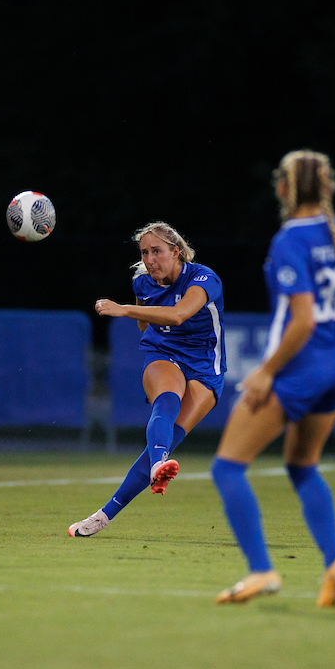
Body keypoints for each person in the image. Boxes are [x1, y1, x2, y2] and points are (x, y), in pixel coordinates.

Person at [210, 149, 335, 606]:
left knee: (227, 467)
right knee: (302, 466)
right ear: (327, 188)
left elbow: (302, 321)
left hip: (299, 369)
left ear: (285, 189)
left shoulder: (289, 239)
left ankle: (261, 570)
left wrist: (265, 373)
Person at [68, 223, 225, 537]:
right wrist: (144, 323)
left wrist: (123, 309)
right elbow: (145, 327)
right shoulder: (142, 281)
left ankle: (105, 513)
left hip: (206, 367)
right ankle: (157, 469)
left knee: (167, 441)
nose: (150, 259)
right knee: (166, 401)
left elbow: (180, 314)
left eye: (157, 251)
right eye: (144, 252)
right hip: (163, 353)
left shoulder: (204, 278)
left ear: (175, 252)